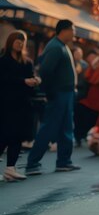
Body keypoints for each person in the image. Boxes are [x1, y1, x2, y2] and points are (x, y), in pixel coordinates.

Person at [26, 20, 80, 175]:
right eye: (73, 29)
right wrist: (49, 93)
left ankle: (64, 161)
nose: (74, 33)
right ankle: (32, 163)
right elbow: (46, 72)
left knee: (66, 128)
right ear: (64, 30)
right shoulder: (55, 47)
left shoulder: (61, 46)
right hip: (59, 94)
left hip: (66, 94)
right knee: (49, 128)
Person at [1, 31, 39, 181]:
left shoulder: (27, 62)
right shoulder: (3, 60)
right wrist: (23, 81)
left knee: (17, 137)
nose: (20, 43)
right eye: (17, 40)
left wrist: (35, 81)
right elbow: (3, 80)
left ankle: (11, 168)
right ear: (10, 42)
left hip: (23, 104)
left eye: (22, 41)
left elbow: (30, 80)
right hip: (6, 104)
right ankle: (10, 168)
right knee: (4, 136)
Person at [74, 50, 99, 146]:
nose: (93, 59)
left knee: (93, 118)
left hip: (98, 98)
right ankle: (79, 136)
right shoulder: (86, 67)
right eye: (91, 57)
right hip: (86, 97)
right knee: (80, 115)